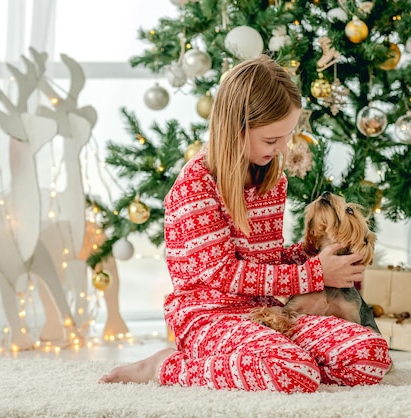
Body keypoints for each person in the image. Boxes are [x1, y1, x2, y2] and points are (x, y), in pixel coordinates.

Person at [99, 55, 392, 393]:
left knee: (369, 354)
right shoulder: (196, 184)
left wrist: (314, 255)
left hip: (265, 313)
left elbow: (261, 262)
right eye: (272, 140)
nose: (283, 147)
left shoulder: (271, 179)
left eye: (286, 136)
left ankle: (259, 363)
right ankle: (163, 366)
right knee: (293, 372)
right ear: (237, 128)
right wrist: (314, 274)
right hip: (209, 317)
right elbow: (223, 273)